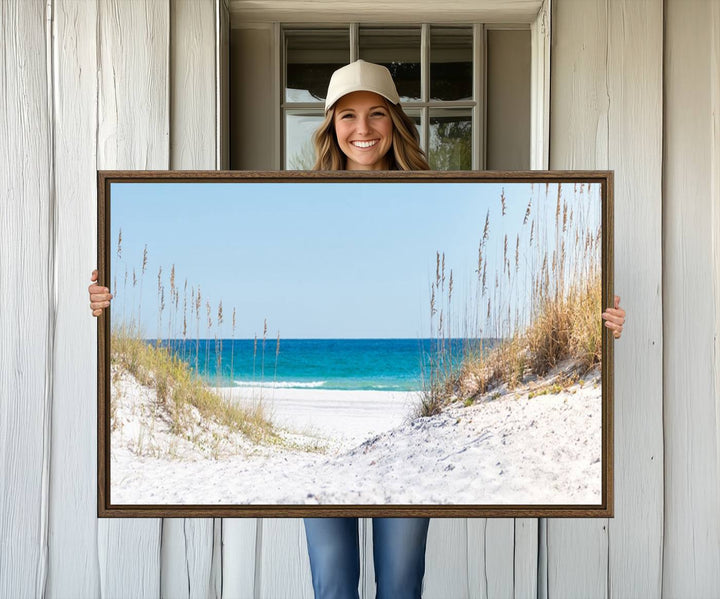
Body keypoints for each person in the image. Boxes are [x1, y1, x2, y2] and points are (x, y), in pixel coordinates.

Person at [88, 59, 627, 599]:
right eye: (347, 116)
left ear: (395, 121)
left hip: (412, 441)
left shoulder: (440, 195)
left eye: (376, 114)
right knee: (333, 589)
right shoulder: (295, 198)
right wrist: (108, 300)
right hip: (324, 455)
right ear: (330, 126)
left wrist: (596, 325)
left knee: (399, 588)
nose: (362, 129)